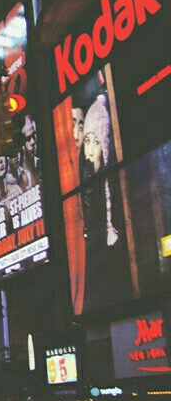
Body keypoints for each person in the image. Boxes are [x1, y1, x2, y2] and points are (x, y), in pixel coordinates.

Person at [80, 94, 131, 311]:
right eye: (87, 141)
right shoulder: (83, 181)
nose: (90, 149)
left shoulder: (114, 182)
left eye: (97, 142)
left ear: (105, 145)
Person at [20, 114, 40, 187]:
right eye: (28, 139)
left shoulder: (40, 163)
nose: (33, 142)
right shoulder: (21, 175)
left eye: (34, 135)